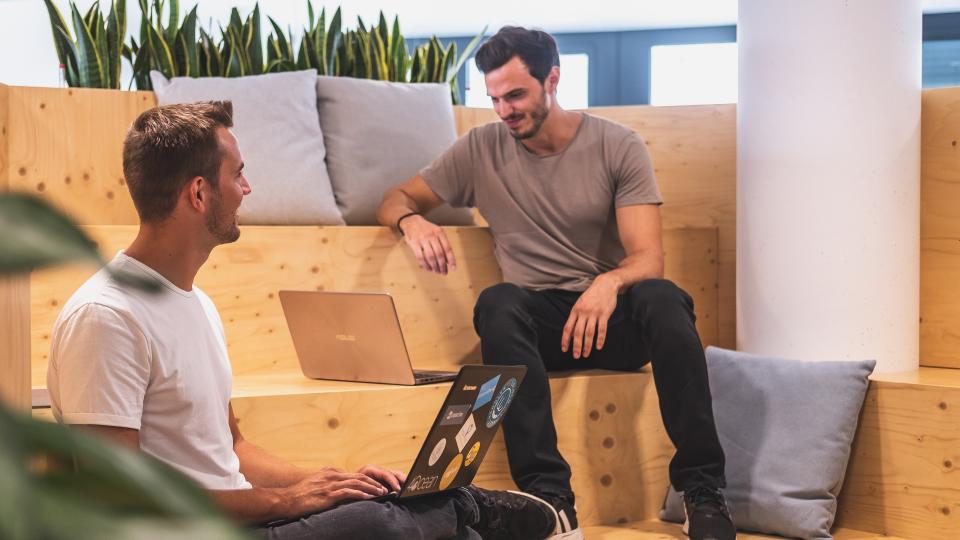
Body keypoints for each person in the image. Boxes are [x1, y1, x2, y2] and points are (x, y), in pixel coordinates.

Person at [47, 100, 567, 540]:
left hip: (237, 518)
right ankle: (466, 509)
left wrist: (329, 484)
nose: (247, 188)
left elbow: (233, 448)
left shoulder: (194, 302)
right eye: (239, 173)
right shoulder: (107, 316)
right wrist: (286, 501)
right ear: (199, 194)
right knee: (380, 525)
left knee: (375, 504)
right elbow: (120, 494)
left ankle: (454, 512)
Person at [377, 26, 736, 540]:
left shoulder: (617, 144)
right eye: (494, 98)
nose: (504, 110)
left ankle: (704, 491)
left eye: (516, 95)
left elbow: (648, 257)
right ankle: (549, 501)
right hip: (540, 332)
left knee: (663, 297)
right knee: (498, 303)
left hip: (611, 325)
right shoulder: (479, 148)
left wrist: (607, 285)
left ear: (553, 79)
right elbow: (395, 198)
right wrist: (411, 221)